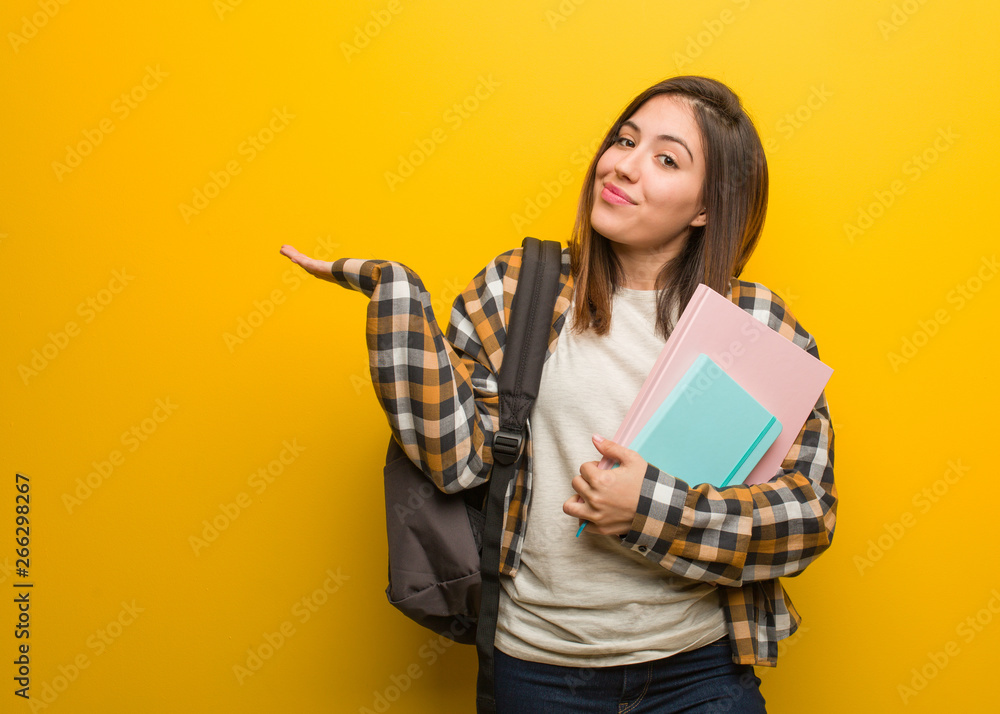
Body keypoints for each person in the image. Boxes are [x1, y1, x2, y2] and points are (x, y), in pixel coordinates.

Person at [280, 75, 836, 713]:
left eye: (666, 159)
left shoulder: (755, 324)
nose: (624, 166)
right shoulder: (518, 287)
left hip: (699, 671)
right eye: (624, 141)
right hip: (537, 670)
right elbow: (457, 462)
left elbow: (808, 513)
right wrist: (396, 296)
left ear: (706, 208)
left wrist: (649, 509)